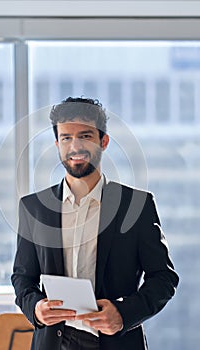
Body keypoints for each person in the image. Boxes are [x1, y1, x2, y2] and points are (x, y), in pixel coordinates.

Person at [11, 97, 179, 350]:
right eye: (66, 137)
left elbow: (164, 278)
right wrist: (35, 308)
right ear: (57, 144)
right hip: (54, 342)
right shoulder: (34, 208)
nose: (75, 146)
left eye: (85, 136)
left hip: (115, 342)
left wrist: (124, 314)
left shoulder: (136, 205)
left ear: (104, 141)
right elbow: (23, 278)